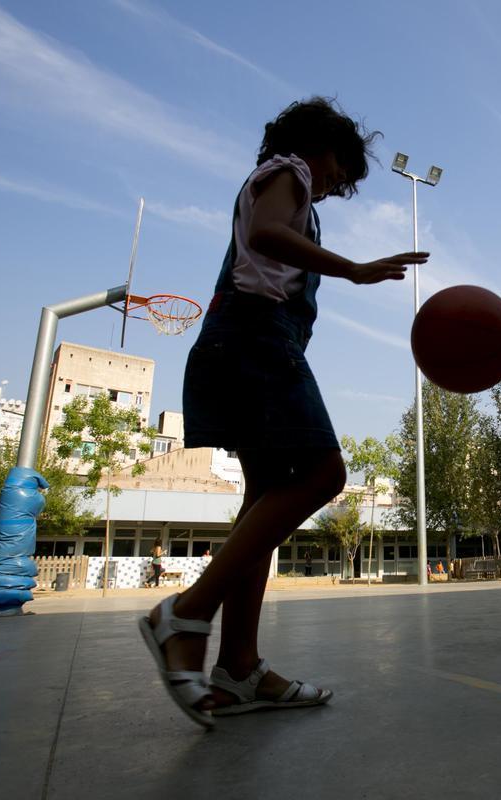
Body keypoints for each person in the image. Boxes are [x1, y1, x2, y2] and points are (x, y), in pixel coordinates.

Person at [138, 97, 428, 727]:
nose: (332, 183)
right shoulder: (288, 172)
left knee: (263, 501)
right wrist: (351, 270)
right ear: (315, 144)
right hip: (255, 340)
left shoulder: (286, 184)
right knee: (324, 476)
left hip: (243, 342)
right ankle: (186, 613)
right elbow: (268, 235)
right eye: (337, 168)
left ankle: (239, 668)